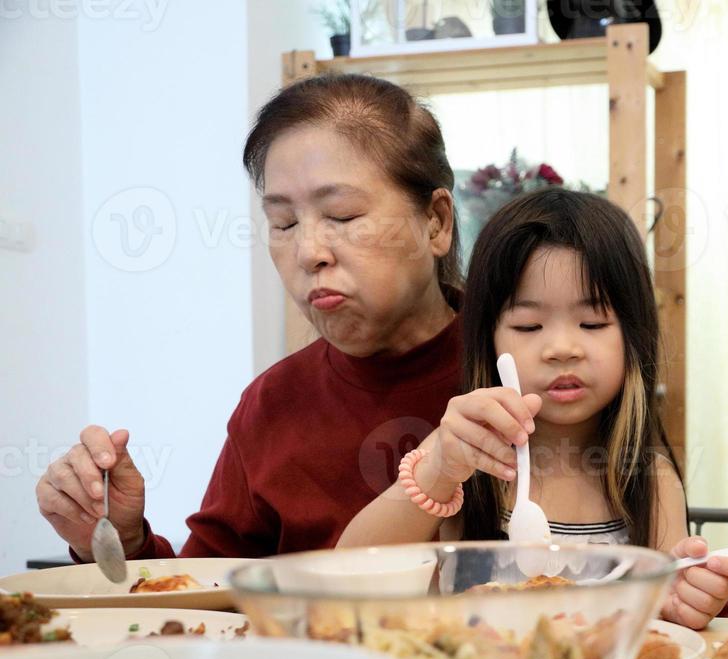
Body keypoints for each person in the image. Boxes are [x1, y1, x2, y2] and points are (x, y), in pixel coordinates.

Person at [36, 73, 463, 561]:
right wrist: (123, 540)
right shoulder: (273, 403)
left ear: (436, 222)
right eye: (283, 223)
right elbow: (208, 594)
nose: (308, 252)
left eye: (342, 215)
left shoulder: (523, 370)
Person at [338, 188, 728, 629]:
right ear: (489, 338)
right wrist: (438, 469)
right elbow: (349, 577)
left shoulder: (650, 478)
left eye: (592, 323)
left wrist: (683, 600)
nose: (561, 349)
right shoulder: (464, 462)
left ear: (633, 338)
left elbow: (668, 615)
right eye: (528, 325)